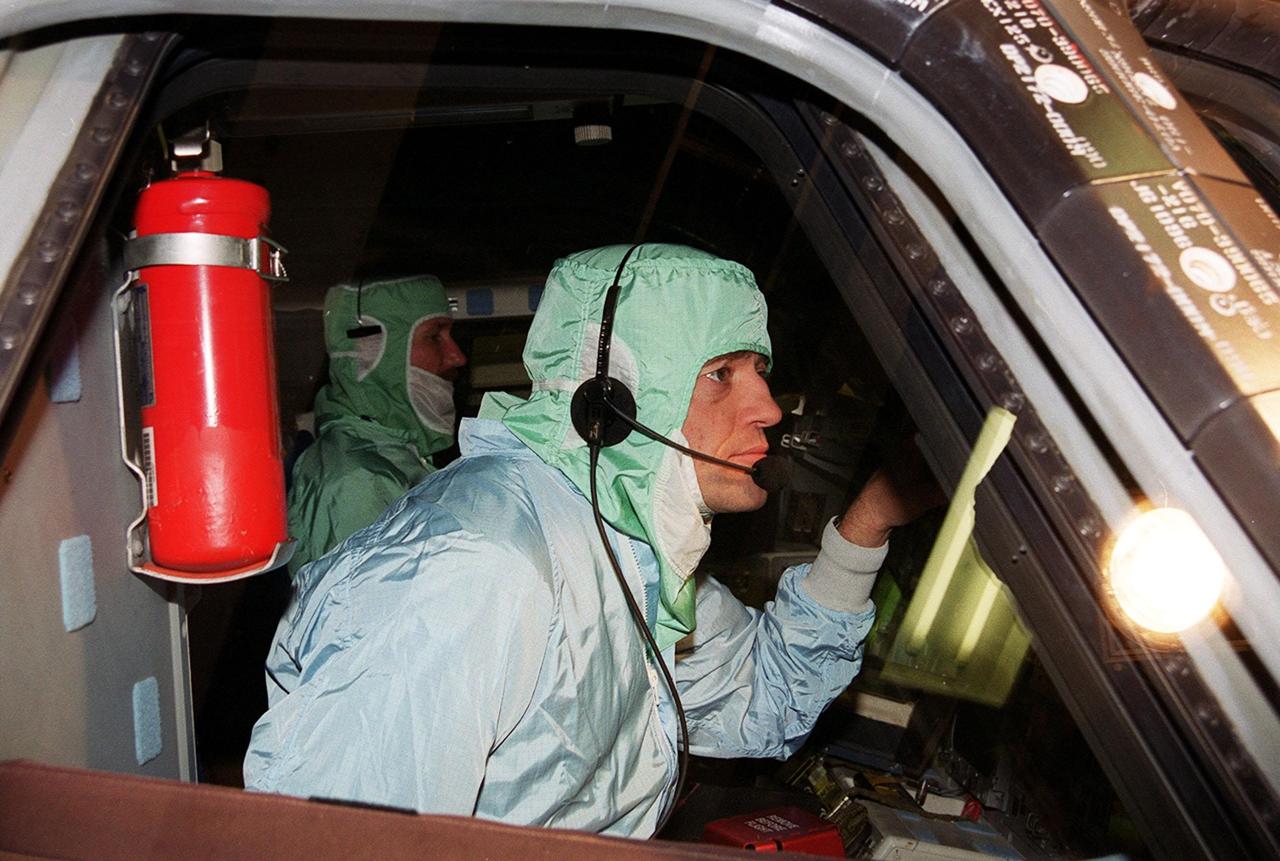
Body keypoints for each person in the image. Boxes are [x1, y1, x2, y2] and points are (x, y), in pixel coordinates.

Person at [246, 244, 934, 836]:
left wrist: (868, 520)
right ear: (614, 398)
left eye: (761, 371)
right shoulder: (481, 567)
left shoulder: (631, 555)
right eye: (722, 373)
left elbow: (768, 692)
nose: (770, 408)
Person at [285, 275, 466, 576]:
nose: (457, 356)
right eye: (434, 336)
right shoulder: (359, 480)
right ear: (375, 351)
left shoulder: (390, 458)